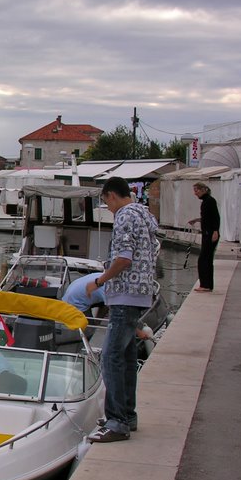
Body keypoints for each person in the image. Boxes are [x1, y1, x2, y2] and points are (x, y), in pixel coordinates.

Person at [85, 176, 158, 443]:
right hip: (140, 294)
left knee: (110, 357)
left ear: (111, 195)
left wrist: (99, 281)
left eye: (106, 202)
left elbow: (124, 258)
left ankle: (116, 422)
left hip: (124, 295)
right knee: (126, 358)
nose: (108, 208)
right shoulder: (145, 214)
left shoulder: (125, 216)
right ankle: (127, 415)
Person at [188, 182, 220, 292]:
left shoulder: (209, 201)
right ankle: (207, 285)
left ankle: (205, 285)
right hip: (207, 233)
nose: (195, 193)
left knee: (204, 259)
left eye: (196, 190)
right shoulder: (206, 202)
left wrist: (215, 231)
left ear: (203, 190)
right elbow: (207, 217)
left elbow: (215, 217)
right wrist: (197, 220)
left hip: (210, 233)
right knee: (206, 259)